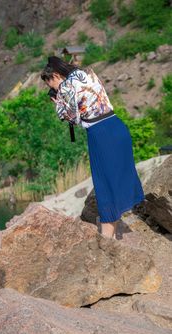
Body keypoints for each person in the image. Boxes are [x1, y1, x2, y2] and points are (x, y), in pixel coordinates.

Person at [40, 56, 145, 239]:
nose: (52, 88)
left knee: (104, 184)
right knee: (116, 180)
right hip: (117, 126)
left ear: (56, 75)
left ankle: (106, 238)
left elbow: (71, 117)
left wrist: (58, 104)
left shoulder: (65, 87)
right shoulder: (87, 73)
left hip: (101, 134)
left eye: (50, 84)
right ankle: (111, 231)